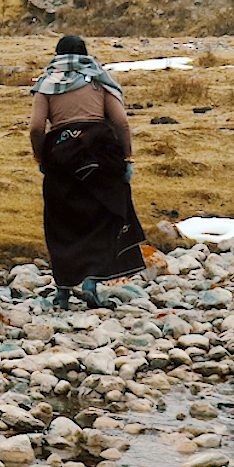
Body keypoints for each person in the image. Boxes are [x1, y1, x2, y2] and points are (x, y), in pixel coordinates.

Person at [29, 34, 145, 309]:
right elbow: (122, 123)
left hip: (61, 161)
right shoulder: (99, 82)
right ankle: (92, 280)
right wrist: (126, 157)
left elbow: (36, 128)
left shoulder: (46, 85)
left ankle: (62, 290)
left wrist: (41, 157)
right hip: (100, 157)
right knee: (103, 216)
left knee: (61, 223)